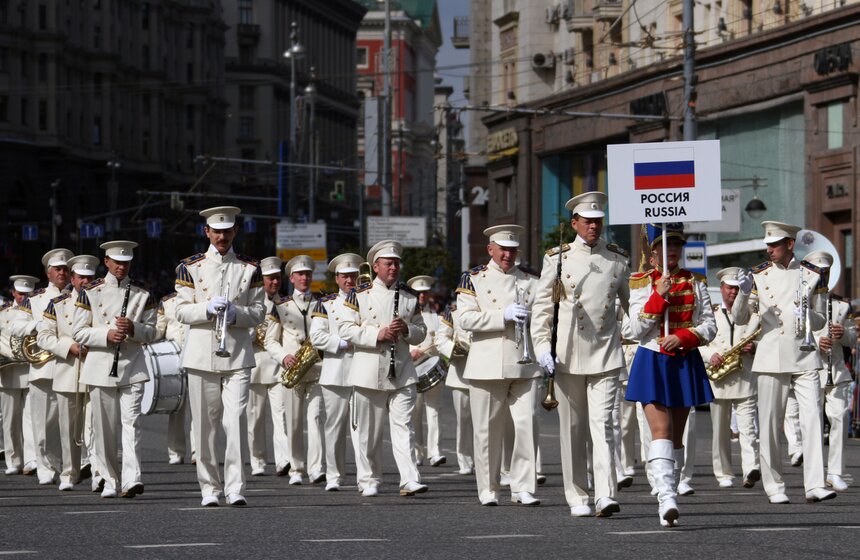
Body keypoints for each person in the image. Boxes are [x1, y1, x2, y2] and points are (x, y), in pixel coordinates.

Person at [531, 192, 630, 517]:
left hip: (605, 352)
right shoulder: (557, 258)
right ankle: (577, 495)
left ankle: (606, 494)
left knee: (604, 425)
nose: (594, 227)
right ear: (574, 223)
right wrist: (542, 348)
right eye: (588, 221)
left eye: (598, 221)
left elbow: (631, 305)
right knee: (573, 429)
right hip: (568, 353)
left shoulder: (618, 259)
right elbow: (543, 309)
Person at [731, 221, 835, 505]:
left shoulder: (812, 273)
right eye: (768, 245)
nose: (769, 249)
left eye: (775, 244)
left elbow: (820, 320)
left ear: (790, 244)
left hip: (804, 353)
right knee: (770, 423)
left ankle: (815, 484)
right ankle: (774, 485)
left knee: (813, 419)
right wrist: (743, 293)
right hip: (772, 354)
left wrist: (805, 314)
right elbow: (740, 318)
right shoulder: (759, 275)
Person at [175, 206, 266, 507]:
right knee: (205, 426)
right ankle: (209, 488)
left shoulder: (250, 267)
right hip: (202, 354)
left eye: (227, 231)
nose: (222, 237)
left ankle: (235, 487)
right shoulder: (190, 267)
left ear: (235, 231)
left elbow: (260, 312)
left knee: (236, 420)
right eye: (217, 231)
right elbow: (180, 311)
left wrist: (236, 312)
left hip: (237, 354)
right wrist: (206, 308)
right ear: (207, 232)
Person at [626, 223, 716, 527]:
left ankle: (671, 490)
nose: (672, 250)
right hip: (652, 360)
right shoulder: (640, 282)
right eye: (665, 246)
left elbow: (709, 326)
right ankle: (665, 497)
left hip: (683, 360)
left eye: (676, 244)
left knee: (677, 437)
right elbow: (634, 330)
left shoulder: (696, 281)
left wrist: (684, 337)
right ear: (652, 255)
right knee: (661, 431)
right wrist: (658, 296)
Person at [456, 224, 542, 507]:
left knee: (527, 425)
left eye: (512, 250)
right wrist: (501, 315)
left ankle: (523, 486)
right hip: (488, 362)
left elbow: (544, 319)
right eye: (503, 249)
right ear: (490, 249)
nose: (508, 255)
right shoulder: (474, 279)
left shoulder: (531, 280)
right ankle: (489, 488)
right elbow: (465, 319)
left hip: (524, 362)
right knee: (487, 431)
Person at [338, 240, 428, 497]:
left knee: (404, 427)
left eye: (397, 263)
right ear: (375, 266)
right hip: (369, 370)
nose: (394, 268)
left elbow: (421, 331)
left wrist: (407, 330)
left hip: (402, 370)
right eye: (388, 263)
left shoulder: (409, 296)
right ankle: (368, 479)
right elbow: (345, 328)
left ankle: (409, 479)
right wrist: (377, 334)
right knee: (368, 432)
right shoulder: (359, 294)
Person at [72, 241, 157, 498]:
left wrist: (133, 328)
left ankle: (132, 479)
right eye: (117, 262)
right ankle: (109, 479)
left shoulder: (143, 292)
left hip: (132, 366)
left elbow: (153, 332)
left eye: (126, 262)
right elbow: (78, 331)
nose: (121, 267)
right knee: (104, 428)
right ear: (106, 262)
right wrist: (106, 334)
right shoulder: (91, 291)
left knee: (132, 424)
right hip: (100, 366)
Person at [12, 248, 75, 485]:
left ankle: (66, 466)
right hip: (43, 367)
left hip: (69, 365)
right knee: (41, 423)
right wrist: (39, 324)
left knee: (67, 423)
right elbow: (17, 326)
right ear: (48, 273)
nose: (62, 273)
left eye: (65, 269)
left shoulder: (79, 296)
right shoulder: (35, 299)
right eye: (57, 269)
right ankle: (44, 467)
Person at [37, 255, 99, 490]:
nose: (85, 282)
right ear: (72, 279)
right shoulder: (58, 304)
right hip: (67, 372)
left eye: (90, 277)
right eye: (81, 277)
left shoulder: (102, 299)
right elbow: (44, 337)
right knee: (68, 429)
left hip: (96, 371)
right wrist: (68, 347)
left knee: (95, 427)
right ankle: (69, 474)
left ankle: (99, 473)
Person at [264, 254, 325, 485]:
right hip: (293, 369)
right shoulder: (280, 306)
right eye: (300, 274)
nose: (304, 278)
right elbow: (270, 340)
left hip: (317, 368)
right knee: (294, 421)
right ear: (291, 278)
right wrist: (284, 356)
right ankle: (297, 469)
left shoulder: (321, 302)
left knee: (316, 418)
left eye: (308, 274)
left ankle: (316, 468)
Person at [702, 267, 761, 489]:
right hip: (719, 379)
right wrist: (710, 355)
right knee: (720, 431)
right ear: (722, 289)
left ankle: (751, 468)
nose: (734, 292)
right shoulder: (711, 314)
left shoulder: (752, 315)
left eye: (737, 289)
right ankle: (723, 472)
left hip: (745, 377)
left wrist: (754, 347)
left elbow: (767, 339)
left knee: (748, 428)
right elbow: (700, 342)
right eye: (729, 288)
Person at [309, 252, 363, 491]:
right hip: (336, 370)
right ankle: (334, 475)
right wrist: (341, 342)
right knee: (335, 427)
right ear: (337, 279)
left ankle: (365, 476)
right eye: (345, 276)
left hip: (363, 369)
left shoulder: (367, 299)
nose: (350, 280)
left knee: (363, 427)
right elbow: (317, 336)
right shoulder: (326, 303)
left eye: (353, 276)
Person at [805, 250, 854, 492]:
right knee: (812, 424)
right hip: (811, 370)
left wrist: (843, 334)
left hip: (836, 371)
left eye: (825, 273)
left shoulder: (842, 304)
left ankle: (835, 472)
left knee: (839, 418)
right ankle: (814, 474)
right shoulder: (801, 304)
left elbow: (853, 338)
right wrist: (816, 341)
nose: (822, 277)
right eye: (818, 272)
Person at [247, 256, 290, 477]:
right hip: (255, 366)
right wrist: (253, 333)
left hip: (278, 367)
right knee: (255, 419)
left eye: (277, 278)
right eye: (270, 278)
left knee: (282, 415)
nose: (274, 282)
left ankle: (284, 459)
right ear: (261, 280)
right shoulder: (251, 303)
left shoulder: (286, 304)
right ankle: (258, 460)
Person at [0, 276, 39, 475]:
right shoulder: (3, 312)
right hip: (8, 371)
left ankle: (31, 460)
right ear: (13, 293)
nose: (24, 297)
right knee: (10, 419)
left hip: (31, 368)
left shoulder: (37, 310)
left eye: (28, 294)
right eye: (20, 293)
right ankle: (13, 460)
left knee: (31, 417)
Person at [407, 275, 447, 468]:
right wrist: (410, 352)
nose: (421, 296)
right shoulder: (407, 314)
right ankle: (417, 452)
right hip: (411, 368)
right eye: (418, 293)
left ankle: (435, 452)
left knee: (434, 411)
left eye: (424, 293)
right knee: (414, 413)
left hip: (431, 366)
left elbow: (439, 341)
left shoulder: (436, 317)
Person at [155, 283, 195, 465]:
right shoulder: (167, 302)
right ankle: (175, 451)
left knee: (198, 407)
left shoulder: (199, 299)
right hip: (173, 360)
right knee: (176, 407)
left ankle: (197, 450)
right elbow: (159, 330)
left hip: (195, 357)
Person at [435, 304, 474, 475]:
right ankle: (465, 460)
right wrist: (454, 349)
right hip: (461, 374)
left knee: (489, 421)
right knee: (464, 421)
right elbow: (440, 339)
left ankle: (490, 461)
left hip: (487, 371)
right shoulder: (453, 312)